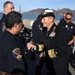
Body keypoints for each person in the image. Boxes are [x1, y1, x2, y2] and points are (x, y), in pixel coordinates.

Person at [27, 9, 57, 75]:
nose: (42, 21)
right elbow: (45, 45)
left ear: (51, 19)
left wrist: (45, 53)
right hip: (49, 64)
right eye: (42, 19)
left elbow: (60, 50)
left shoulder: (58, 31)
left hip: (56, 66)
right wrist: (34, 47)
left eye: (44, 19)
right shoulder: (46, 31)